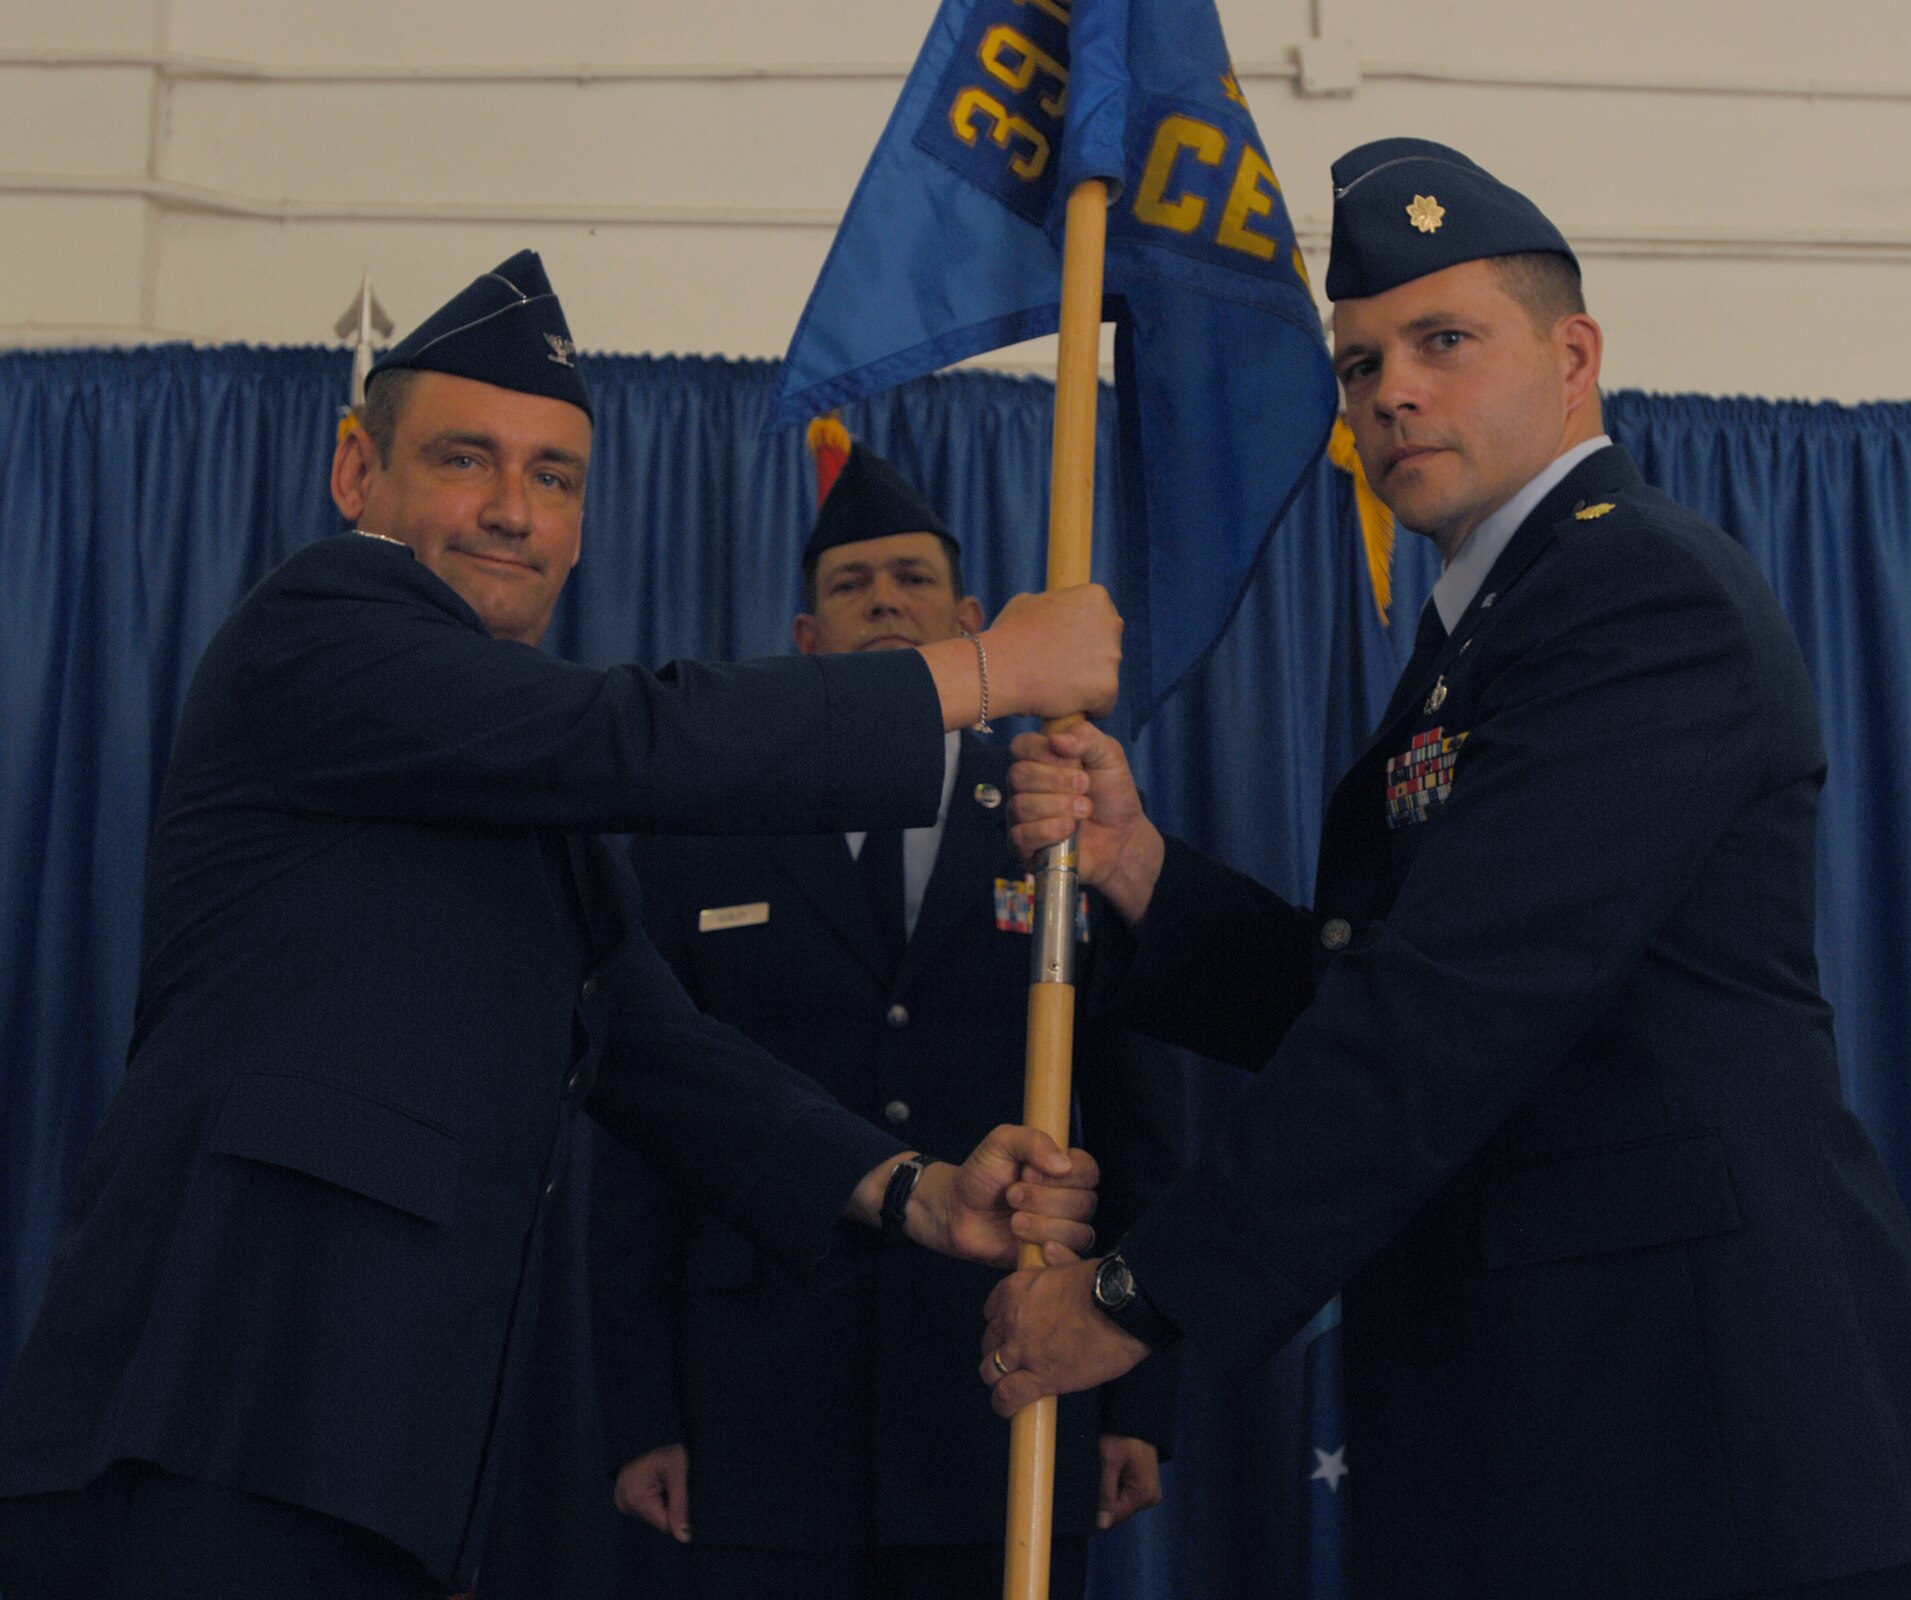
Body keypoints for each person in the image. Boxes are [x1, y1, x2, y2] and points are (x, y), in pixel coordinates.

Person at [0, 251, 1125, 1600]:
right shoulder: (324, 629)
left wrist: (917, 1193)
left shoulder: (512, 760)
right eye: (466, 460)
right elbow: (634, 735)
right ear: (361, 475)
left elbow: (651, 1049)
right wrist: (990, 669)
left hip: (380, 1448)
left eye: (553, 477)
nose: (513, 512)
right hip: (212, 1413)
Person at [984, 140, 1911, 1598]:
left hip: (1702, 1450)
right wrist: (1145, 869)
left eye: (1443, 343)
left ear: (1574, 356)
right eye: (1359, 365)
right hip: (1574, 1435)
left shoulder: (1635, 593)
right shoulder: (1504, 622)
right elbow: (1379, 986)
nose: (1391, 389)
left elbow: (1449, 1014)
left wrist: (1144, 1294)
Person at [589, 428, 1181, 1600]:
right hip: (754, 1403)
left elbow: (1138, 1112)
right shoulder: (702, 833)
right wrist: (640, 1410)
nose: (883, 605)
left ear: (972, 626)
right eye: (850, 587)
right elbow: (637, 1140)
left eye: (911, 579)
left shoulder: (1057, 821)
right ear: (806, 640)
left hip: (1001, 1385)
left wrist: (1141, 1397)